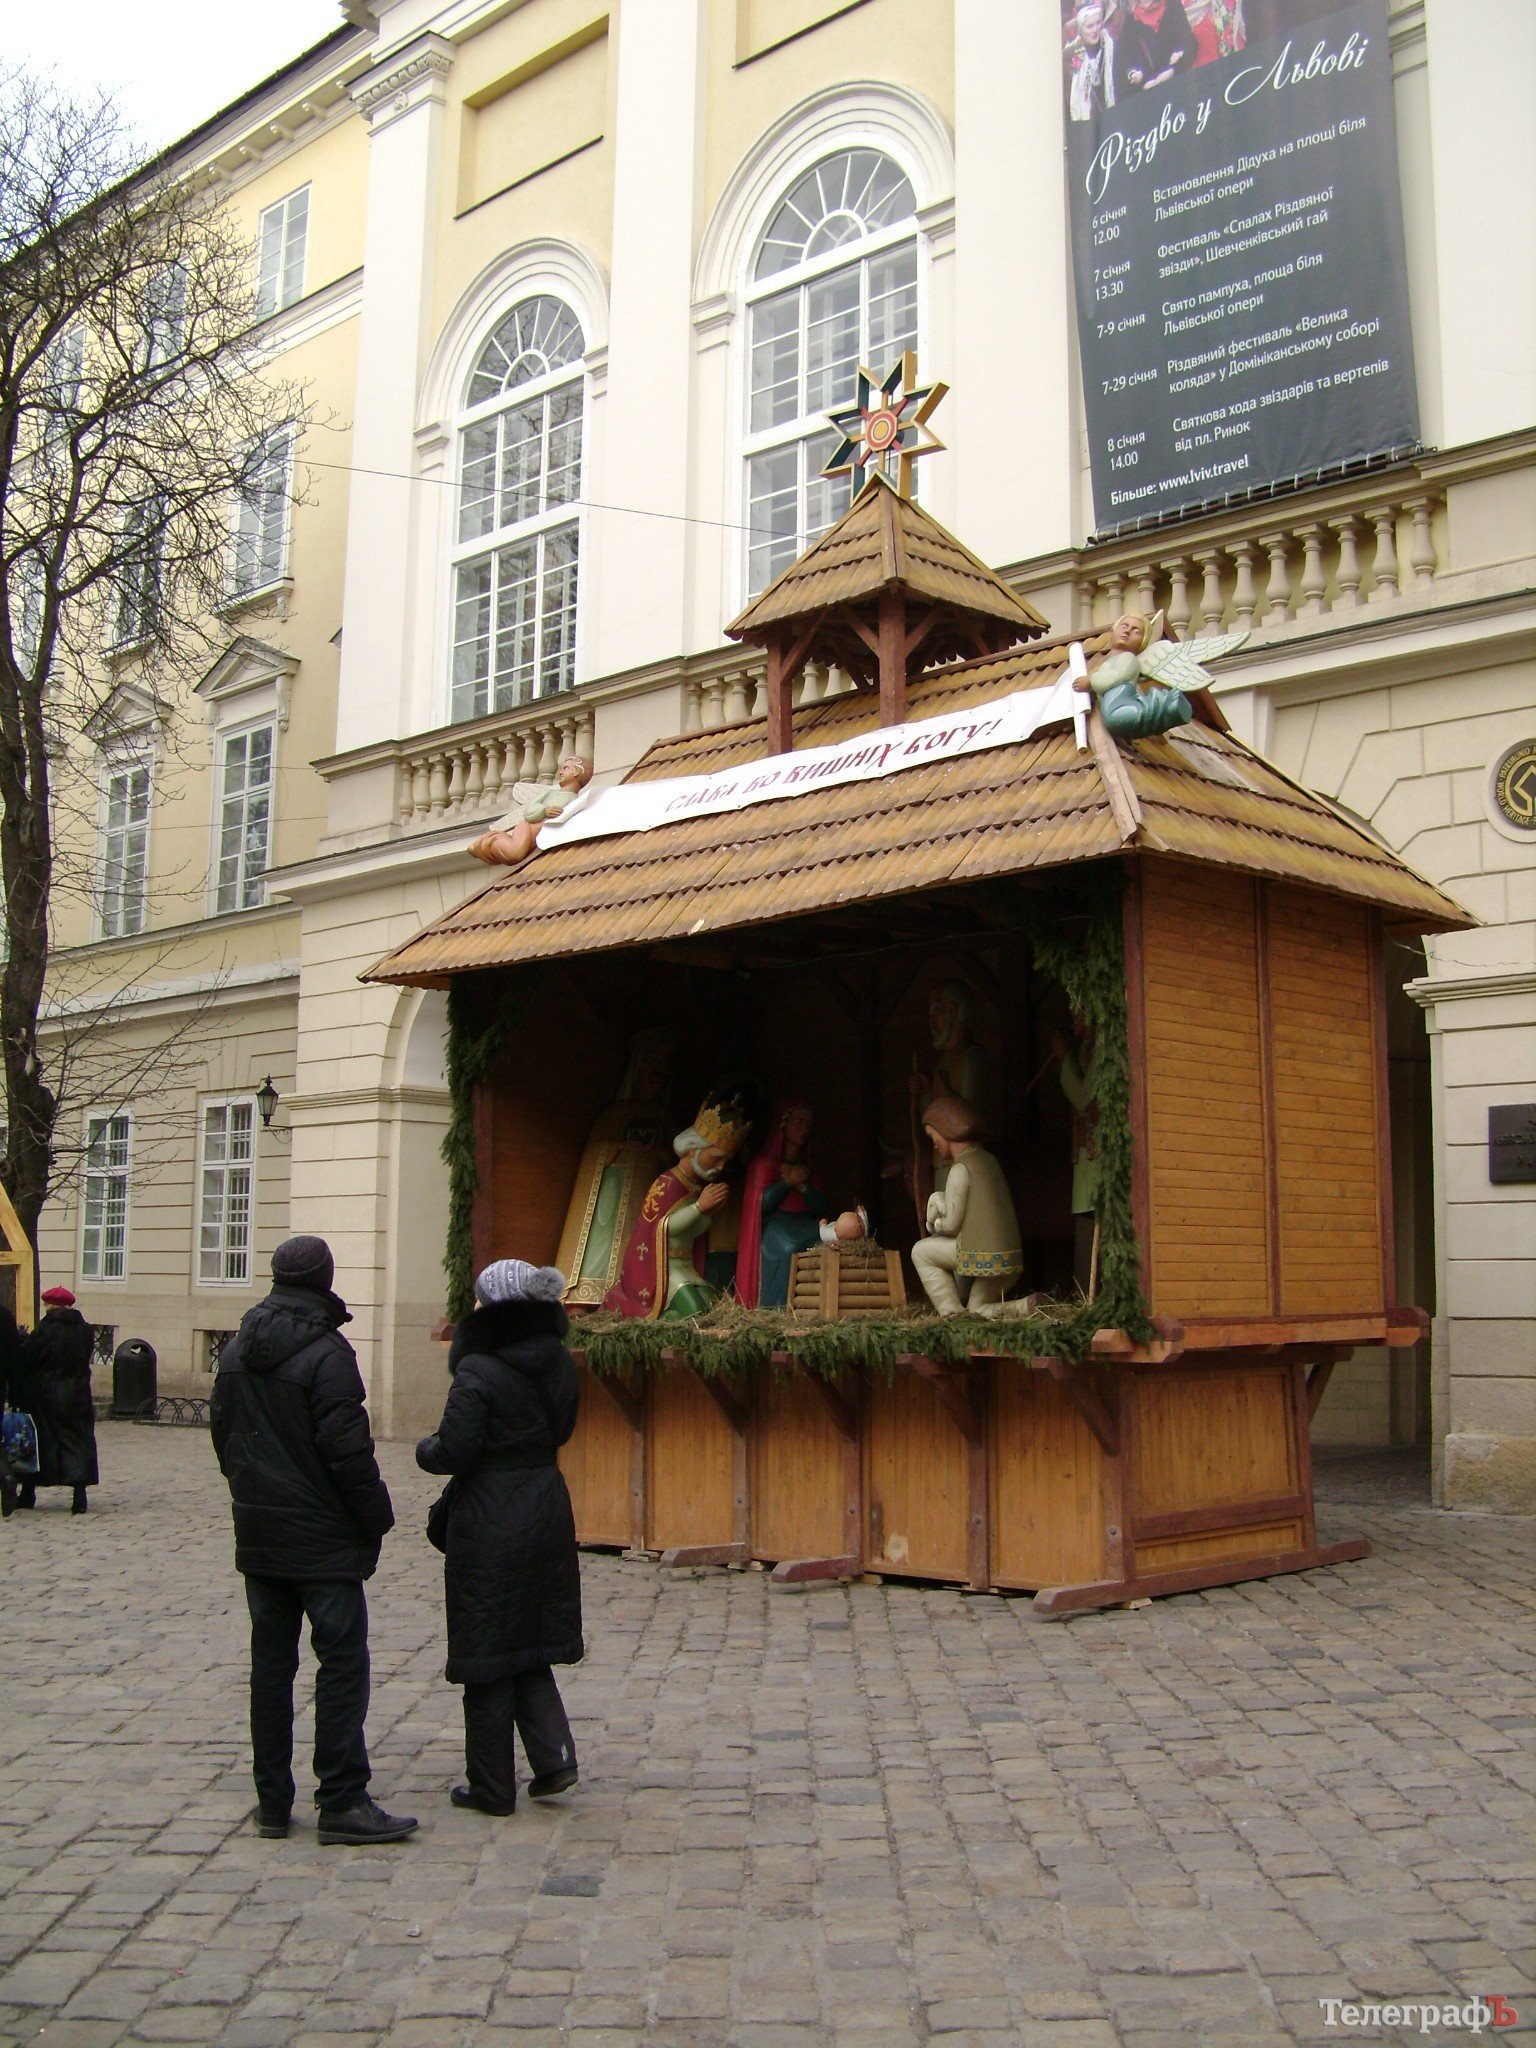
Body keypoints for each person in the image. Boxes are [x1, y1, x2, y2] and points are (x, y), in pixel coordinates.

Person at [210, 1235, 417, 1846]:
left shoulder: (239, 1346)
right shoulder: (328, 1352)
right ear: (325, 1279)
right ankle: (342, 1798)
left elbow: (224, 1435)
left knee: (271, 1669)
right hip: (322, 1536)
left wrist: (252, 1491)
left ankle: (272, 1801)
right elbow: (348, 1452)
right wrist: (375, 1517)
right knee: (342, 1665)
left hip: (263, 1530)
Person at [417, 1259, 583, 1817]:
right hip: (545, 1504)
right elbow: (562, 1428)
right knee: (529, 1642)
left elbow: (454, 1451)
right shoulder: (556, 1359)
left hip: (491, 1515)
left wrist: (425, 1450)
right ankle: (554, 1760)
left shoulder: (479, 1371)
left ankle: (491, 1786)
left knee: (487, 1649)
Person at [911, 1096, 1023, 1317]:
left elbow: (952, 1225)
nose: (934, 1144)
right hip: (1009, 1258)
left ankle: (951, 1313)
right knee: (978, 1309)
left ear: (946, 1132)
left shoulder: (961, 1168)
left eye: (933, 1137)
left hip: (983, 1257)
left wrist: (935, 1223)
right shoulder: (989, 1161)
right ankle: (1024, 1307)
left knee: (921, 1252)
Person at [736, 1100, 830, 1310]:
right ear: (783, 1125)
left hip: (806, 1223)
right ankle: (776, 1308)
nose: (804, 1129)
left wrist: (803, 1186)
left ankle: (820, 1306)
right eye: (799, 1122)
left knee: (829, 1240)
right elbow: (760, 1205)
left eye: (808, 1124)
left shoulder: (808, 1168)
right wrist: (788, 1183)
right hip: (776, 1226)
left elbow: (820, 1206)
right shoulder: (764, 1164)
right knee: (789, 1247)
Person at [11, 1286, 98, 1513]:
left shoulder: (46, 1329)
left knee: (39, 1442)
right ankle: (79, 1495)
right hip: (77, 1394)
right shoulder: (84, 1330)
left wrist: (22, 1341)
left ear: (50, 1305)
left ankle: (28, 1493)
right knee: (76, 1441)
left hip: (46, 1393)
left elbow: (30, 1359)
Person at [1122, 0, 1196, 88]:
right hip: (1153, 91)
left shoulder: (1172, 5)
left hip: (1182, 81)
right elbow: (1127, 63)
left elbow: (1189, 43)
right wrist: (1134, 75)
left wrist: (1175, 67)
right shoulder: (1130, 21)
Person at [1066, 3, 1120, 120]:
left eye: (1098, 23)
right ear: (1080, 30)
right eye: (1090, 26)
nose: (1095, 29)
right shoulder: (1070, 55)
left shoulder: (1111, 47)